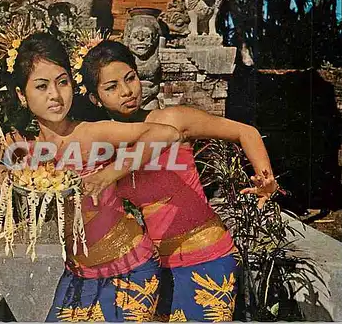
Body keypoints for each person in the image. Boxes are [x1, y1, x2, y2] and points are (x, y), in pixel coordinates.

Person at [0, 33, 181, 322]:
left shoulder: (91, 133)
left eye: (62, 82)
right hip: (79, 274)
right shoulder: (23, 145)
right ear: (22, 96)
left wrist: (109, 174)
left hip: (131, 268)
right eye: (41, 86)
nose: (55, 95)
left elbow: (166, 134)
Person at [78, 40, 280, 322]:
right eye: (111, 87)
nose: (126, 91)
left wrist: (266, 180)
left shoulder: (171, 120)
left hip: (209, 258)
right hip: (157, 268)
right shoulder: (104, 148)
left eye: (130, 78)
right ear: (95, 99)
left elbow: (246, 132)